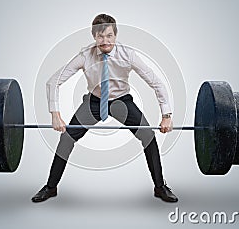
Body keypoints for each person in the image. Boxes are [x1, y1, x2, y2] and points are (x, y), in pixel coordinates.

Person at [31, 14, 178, 203]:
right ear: (94, 37)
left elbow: (157, 83)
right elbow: (53, 81)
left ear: (115, 35)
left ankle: (160, 187)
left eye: (109, 36)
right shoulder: (85, 55)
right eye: (100, 36)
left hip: (121, 101)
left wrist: (167, 115)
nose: (105, 41)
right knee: (66, 138)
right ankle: (50, 187)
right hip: (94, 102)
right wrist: (55, 115)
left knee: (148, 137)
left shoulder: (128, 54)